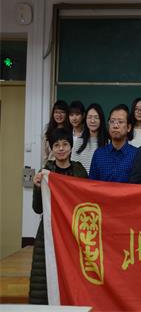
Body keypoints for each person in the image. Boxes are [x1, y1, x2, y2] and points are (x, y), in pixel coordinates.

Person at [29, 128, 87, 305]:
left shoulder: (79, 171)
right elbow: (37, 209)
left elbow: (87, 202)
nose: (61, 149)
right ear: (51, 148)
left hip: (73, 231)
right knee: (43, 278)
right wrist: (37, 187)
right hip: (48, 231)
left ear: (71, 146)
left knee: (74, 273)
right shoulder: (45, 172)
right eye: (56, 145)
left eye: (65, 144)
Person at [89, 104, 137, 183]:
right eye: (112, 121)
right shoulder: (98, 154)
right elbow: (91, 185)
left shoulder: (137, 155)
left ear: (129, 127)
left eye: (120, 122)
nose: (115, 126)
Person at [72, 103, 108, 173]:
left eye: (96, 117)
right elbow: (73, 167)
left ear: (101, 120)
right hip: (80, 179)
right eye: (89, 117)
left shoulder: (108, 142)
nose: (92, 121)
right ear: (85, 119)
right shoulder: (79, 141)